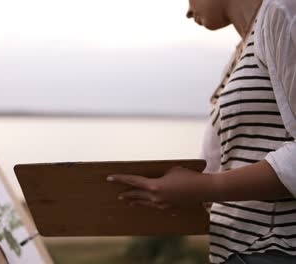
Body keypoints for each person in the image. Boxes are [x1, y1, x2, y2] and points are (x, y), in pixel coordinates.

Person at [106, 0, 296, 263]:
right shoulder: (239, 55)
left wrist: (203, 187)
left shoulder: (282, 11)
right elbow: (222, 169)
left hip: (277, 251)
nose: (187, 10)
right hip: (236, 253)